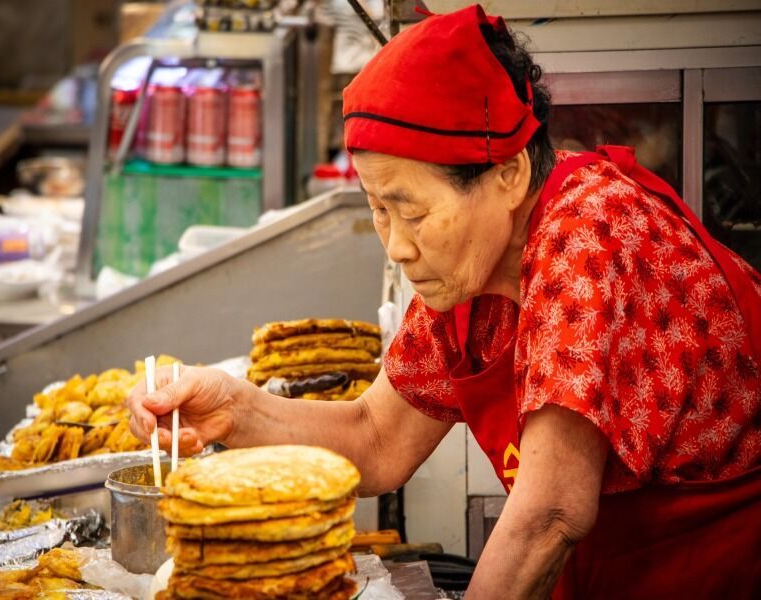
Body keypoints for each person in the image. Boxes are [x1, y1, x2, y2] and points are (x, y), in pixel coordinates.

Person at [128, 6, 761, 598]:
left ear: (508, 175)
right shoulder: (470, 273)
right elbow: (377, 438)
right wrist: (234, 410)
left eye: (413, 211)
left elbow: (550, 512)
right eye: (379, 210)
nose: (398, 247)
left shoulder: (585, 233)